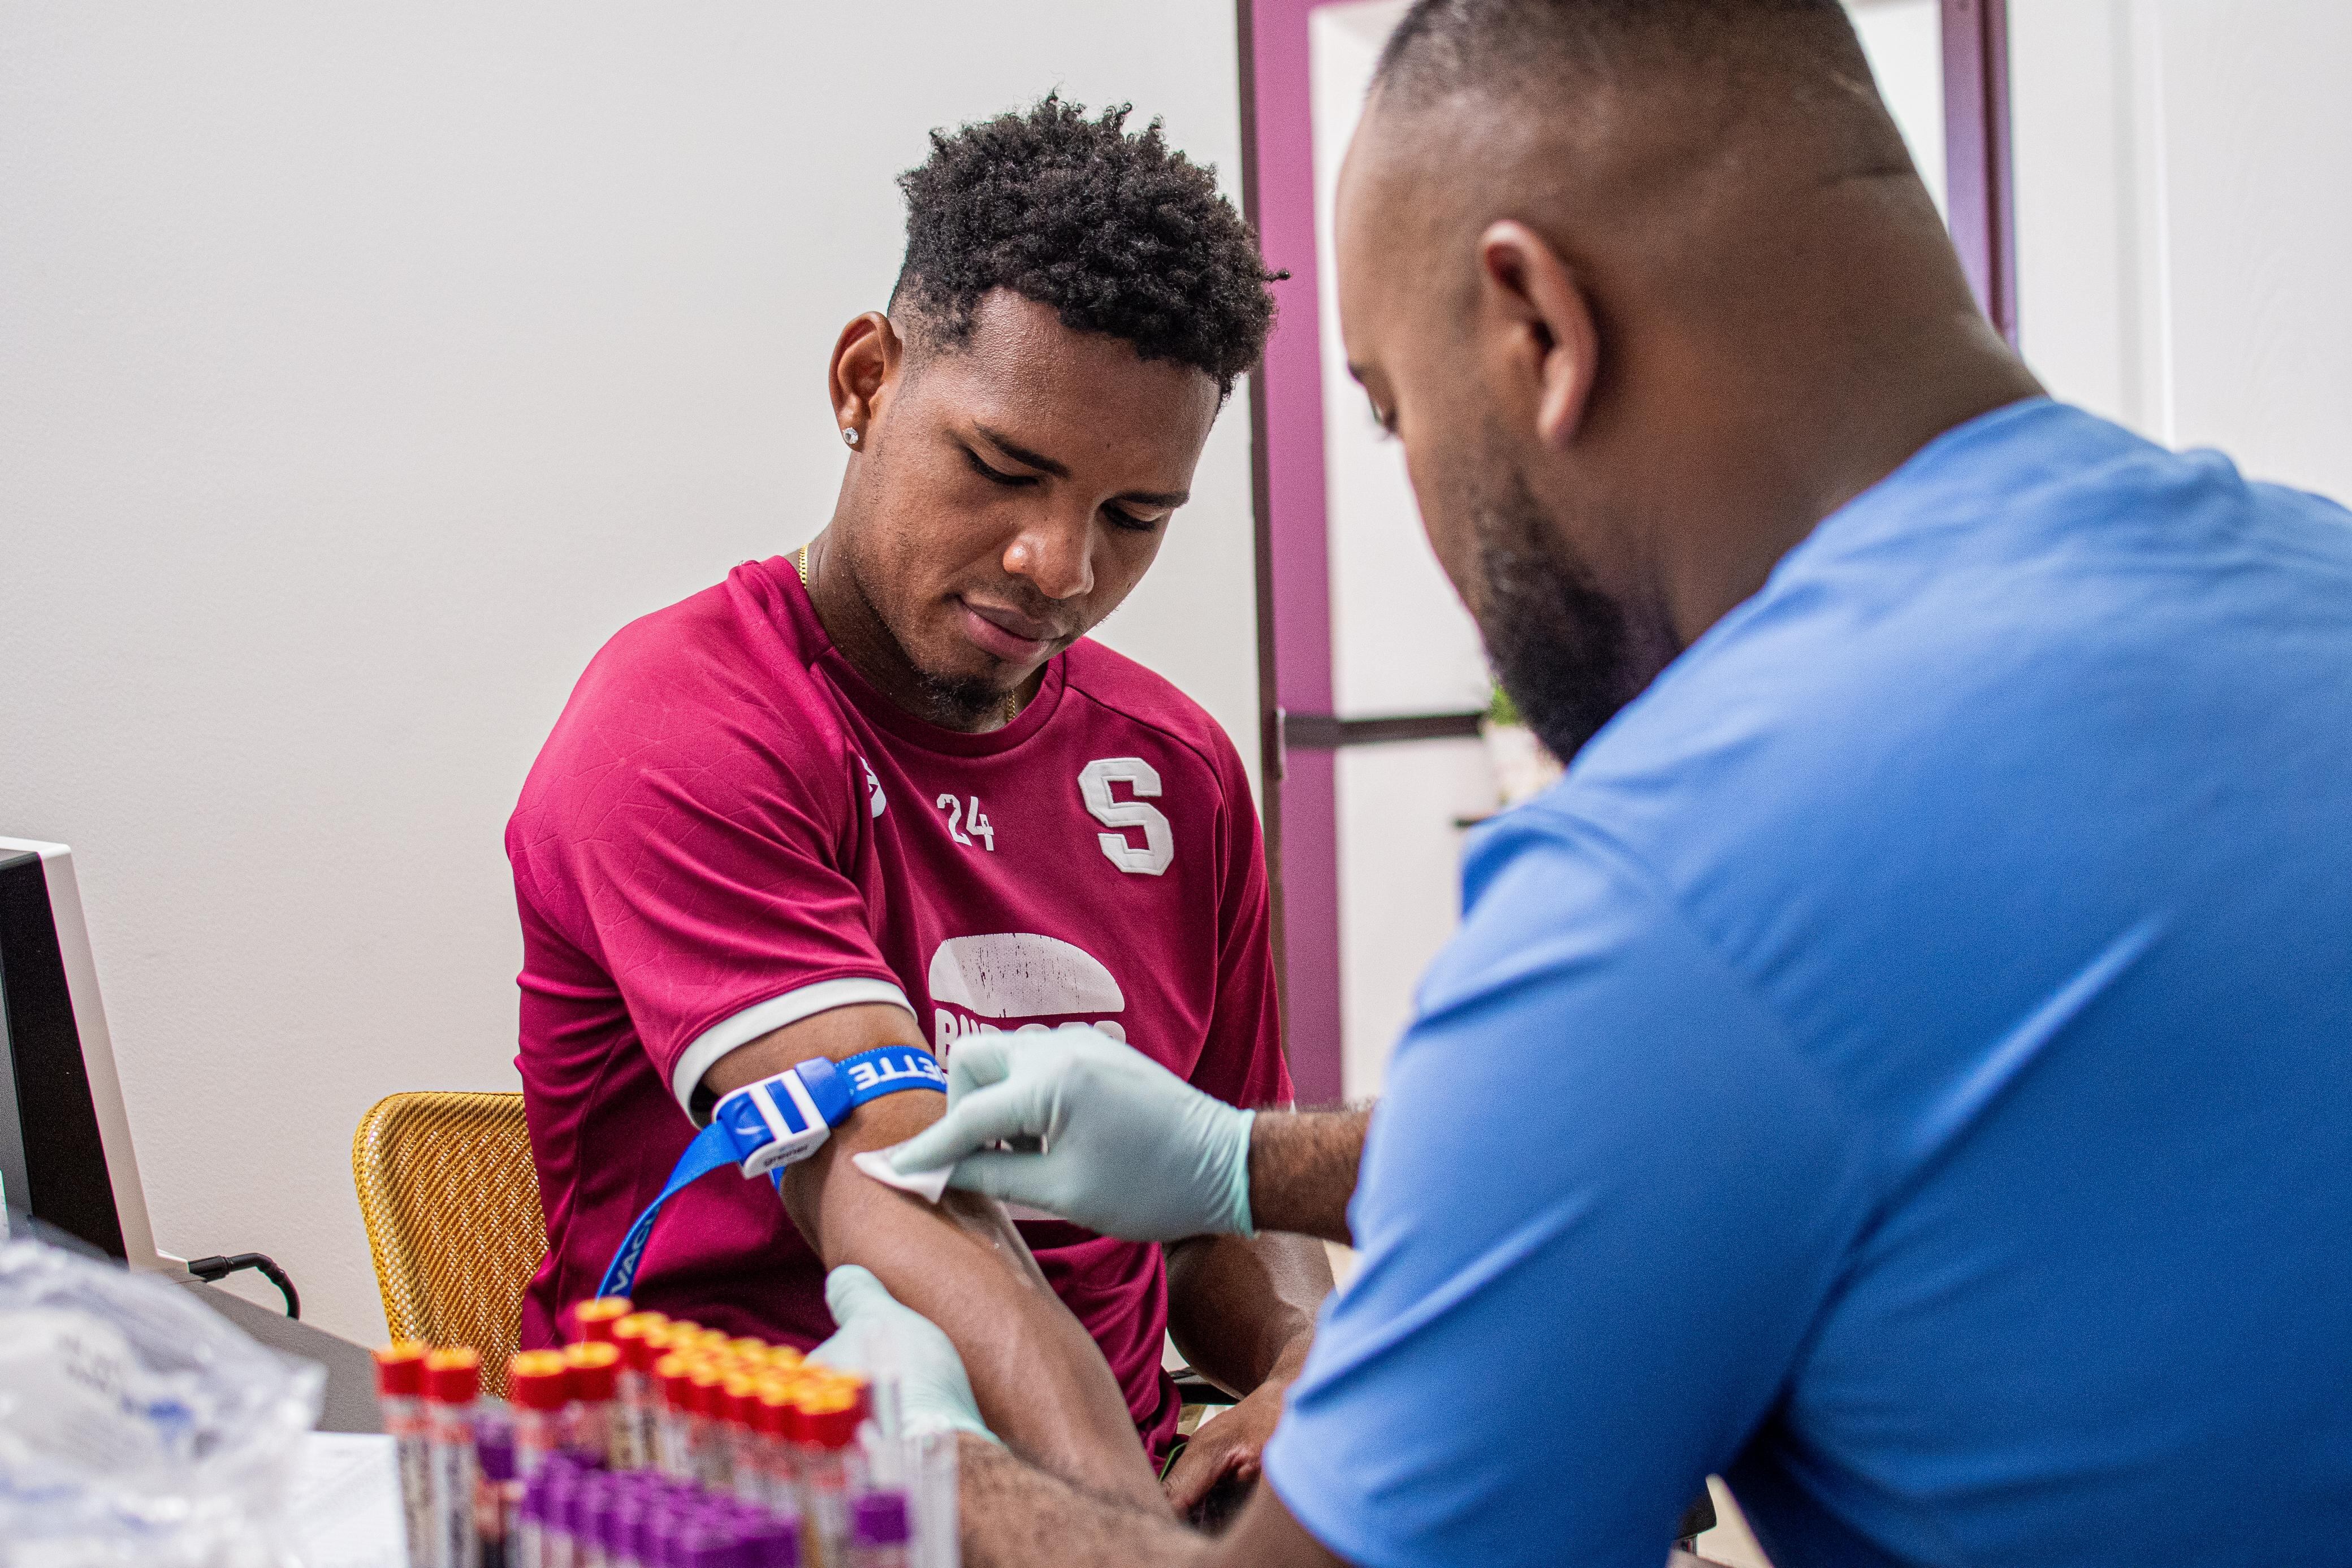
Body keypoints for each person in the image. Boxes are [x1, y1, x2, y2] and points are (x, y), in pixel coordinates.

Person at [819, 3, 2352, 1565]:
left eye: (1397, 410)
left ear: (1537, 329)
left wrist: (933, 1466)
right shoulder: (2317, 583)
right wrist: (1245, 1160)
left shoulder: (1679, 883)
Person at [505, 95, 1331, 1515]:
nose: (1059, 565)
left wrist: (1305, 1370)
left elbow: (1221, 1198)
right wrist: (1128, 1543)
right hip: (738, 1508)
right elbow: (893, 1183)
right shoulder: (681, 723)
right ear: (865, 382)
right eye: (1004, 469)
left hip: (1113, 1492)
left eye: (1135, 516)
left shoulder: (1177, 769)